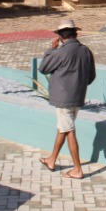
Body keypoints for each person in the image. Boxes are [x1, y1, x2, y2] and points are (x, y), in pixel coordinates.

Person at [38, 19, 96, 180]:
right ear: (75, 33)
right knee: (63, 128)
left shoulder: (60, 52)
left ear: (60, 36)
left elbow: (43, 68)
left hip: (63, 99)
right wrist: (78, 85)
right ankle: (52, 159)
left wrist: (51, 48)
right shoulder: (85, 51)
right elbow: (91, 76)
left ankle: (77, 169)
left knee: (69, 130)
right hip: (78, 96)